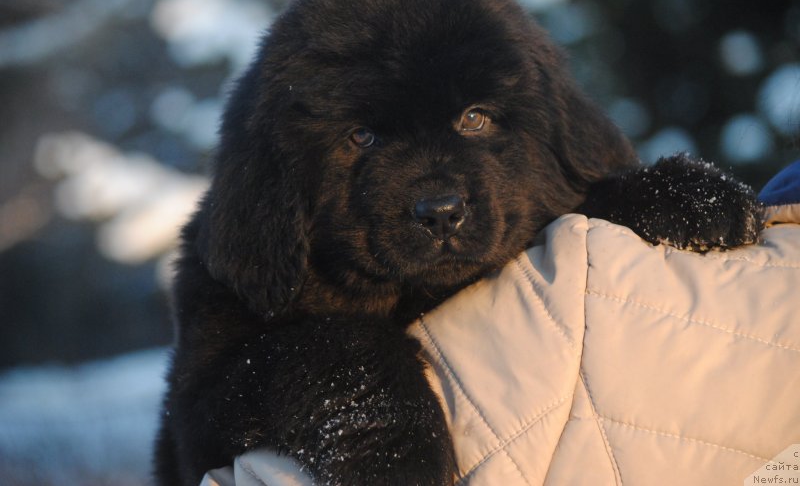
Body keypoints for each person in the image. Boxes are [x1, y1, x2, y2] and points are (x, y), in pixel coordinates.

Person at [201, 160, 800, 485]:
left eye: (477, 119)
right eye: (364, 137)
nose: (438, 196)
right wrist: (350, 386)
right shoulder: (601, 289)